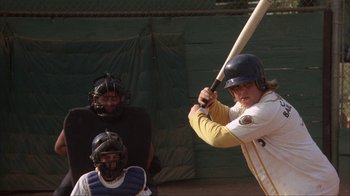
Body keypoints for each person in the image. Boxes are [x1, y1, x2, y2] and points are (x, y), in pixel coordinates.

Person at [188, 54, 340, 195]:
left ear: (259, 82)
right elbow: (229, 118)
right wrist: (213, 105)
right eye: (235, 88)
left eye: (246, 85)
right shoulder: (254, 103)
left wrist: (196, 116)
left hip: (314, 187)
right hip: (312, 182)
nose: (241, 92)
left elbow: (219, 137)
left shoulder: (266, 110)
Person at [54, 73, 161, 196]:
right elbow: (59, 147)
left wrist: (135, 172)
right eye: (105, 98)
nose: (110, 103)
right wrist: (92, 160)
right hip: (92, 167)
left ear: (121, 98)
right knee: (61, 193)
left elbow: (148, 151)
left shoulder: (134, 119)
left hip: (125, 167)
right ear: (95, 99)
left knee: (150, 191)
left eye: (114, 98)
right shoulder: (80, 119)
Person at [71, 131, 152, 196]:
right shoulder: (86, 182)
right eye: (106, 157)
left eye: (115, 157)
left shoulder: (135, 179)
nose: (112, 162)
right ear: (97, 159)